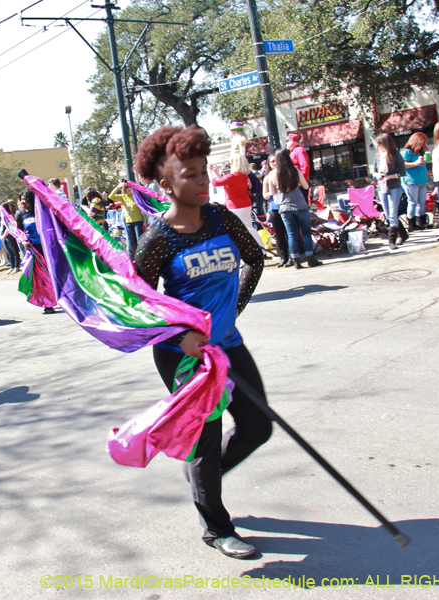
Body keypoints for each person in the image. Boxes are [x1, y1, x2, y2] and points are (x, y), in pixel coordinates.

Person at [133, 124, 267, 559]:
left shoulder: (221, 218)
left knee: (257, 426)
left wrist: (231, 313)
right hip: (182, 356)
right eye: (190, 173)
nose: (203, 180)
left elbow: (255, 258)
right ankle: (216, 524)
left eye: (204, 171)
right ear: (165, 182)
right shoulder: (157, 239)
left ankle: (204, 480)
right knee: (205, 438)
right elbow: (138, 303)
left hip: (227, 342)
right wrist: (180, 332)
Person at [267, 149, 321, 269]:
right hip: (299, 205)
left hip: (284, 207)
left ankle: (295, 260)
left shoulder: (272, 174)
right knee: (306, 233)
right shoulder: (294, 171)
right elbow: (306, 186)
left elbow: (272, 192)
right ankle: (310, 258)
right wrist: (298, 184)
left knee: (291, 235)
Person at [17, 189, 57, 314]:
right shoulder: (21, 215)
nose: (22, 203)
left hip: (48, 248)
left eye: (25, 200)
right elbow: (19, 233)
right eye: (21, 200)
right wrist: (23, 242)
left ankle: (63, 298)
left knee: (54, 274)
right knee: (42, 278)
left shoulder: (42, 211)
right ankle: (48, 303)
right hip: (34, 250)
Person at [208, 155, 262, 247]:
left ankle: (245, 253)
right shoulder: (243, 175)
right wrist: (216, 173)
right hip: (245, 204)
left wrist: (210, 172)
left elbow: (215, 183)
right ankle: (261, 248)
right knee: (249, 228)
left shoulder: (233, 176)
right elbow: (226, 182)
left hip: (235, 206)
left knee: (238, 231)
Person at [373, 133, 408, 250]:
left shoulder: (395, 155)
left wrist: (390, 176)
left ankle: (391, 240)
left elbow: (403, 172)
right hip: (382, 187)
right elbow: (373, 171)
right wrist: (377, 175)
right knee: (388, 215)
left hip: (394, 186)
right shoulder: (378, 156)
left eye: (380, 144)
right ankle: (403, 234)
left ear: (386, 143)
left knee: (393, 214)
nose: (378, 146)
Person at [261, 154, 291, 265]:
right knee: (279, 234)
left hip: (287, 205)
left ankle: (293, 256)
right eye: (272, 161)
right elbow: (265, 195)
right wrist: (272, 192)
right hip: (274, 207)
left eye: (276, 161)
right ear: (268, 164)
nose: (274, 163)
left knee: (290, 232)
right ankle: (284, 257)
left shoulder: (286, 174)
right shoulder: (267, 177)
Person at [400, 133, 430, 231]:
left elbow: (426, 161)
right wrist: (415, 163)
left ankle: (421, 221)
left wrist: (428, 152)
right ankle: (411, 224)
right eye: (422, 142)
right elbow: (402, 164)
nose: (424, 144)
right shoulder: (407, 152)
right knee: (413, 202)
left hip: (422, 179)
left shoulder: (422, 151)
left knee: (422, 202)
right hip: (411, 180)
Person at [109, 180, 146, 255]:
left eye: (130, 187)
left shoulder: (137, 196)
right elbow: (111, 197)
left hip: (138, 221)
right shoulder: (123, 197)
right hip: (128, 221)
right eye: (126, 187)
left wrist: (145, 221)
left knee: (139, 239)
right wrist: (118, 187)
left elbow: (143, 209)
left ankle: (142, 255)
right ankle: (135, 256)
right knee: (131, 240)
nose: (128, 188)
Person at [0, 202, 21, 274]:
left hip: (9, 236)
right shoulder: (2, 217)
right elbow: (1, 227)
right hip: (4, 237)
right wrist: (0, 235)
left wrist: (4, 235)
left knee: (14, 251)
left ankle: (16, 266)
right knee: (9, 252)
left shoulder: (9, 216)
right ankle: (12, 266)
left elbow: (10, 227)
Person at [287, 132, 310, 198]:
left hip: (300, 182)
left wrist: (301, 181)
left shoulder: (299, 150)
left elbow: (305, 166)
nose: (286, 143)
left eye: (287, 141)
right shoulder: (294, 151)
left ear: (291, 142)